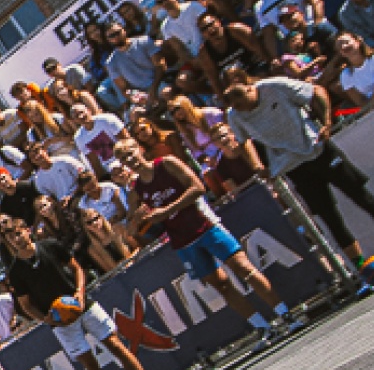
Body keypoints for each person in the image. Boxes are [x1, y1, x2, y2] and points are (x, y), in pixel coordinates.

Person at [222, 76, 374, 284]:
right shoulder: (235, 115)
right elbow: (244, 141)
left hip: (318, 150)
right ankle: (361, 270)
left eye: (242, 103)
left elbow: (317, 91)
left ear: (250, 90)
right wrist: (257, 165)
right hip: (293, 165)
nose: (242, 110)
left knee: (362, 197)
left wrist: (326, 121)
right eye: (236, 107)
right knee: (330, 217)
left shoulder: (274, 87)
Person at [115, 137, 294, 343]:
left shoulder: (166, 164)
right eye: (124, 158)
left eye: (130, 153)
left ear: (139, 149)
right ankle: (262, 327)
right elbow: (131, 230)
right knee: (221, 285)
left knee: (245, 269)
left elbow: (198, 187)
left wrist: (167, 210)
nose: (130, 160)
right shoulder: (136, 190)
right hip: (183, 241)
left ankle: (285, 314)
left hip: (205, 226)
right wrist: (136, 219)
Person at [0, 211, 152, 370]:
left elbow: (76, 268)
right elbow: (26, 305)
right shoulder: (16, 271)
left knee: (115, 345)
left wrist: (80, 292)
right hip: (60, 320)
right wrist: (45, 319)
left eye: (18, 233)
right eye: (11, 237)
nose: (16, 239)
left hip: (82, 305)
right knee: (89, 363)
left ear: (27, 231)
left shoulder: (50, 246)